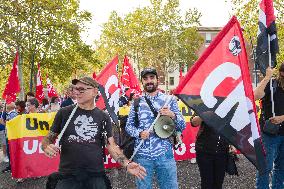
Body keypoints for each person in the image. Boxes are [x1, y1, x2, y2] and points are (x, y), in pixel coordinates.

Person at [41, 76, 146, 189]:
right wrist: (46, 146)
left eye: (82, 89)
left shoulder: (103, 117)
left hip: (95, 176)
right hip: (67, 175)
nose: (77, 92)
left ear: (95, 92)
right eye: (76, 89)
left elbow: (111, 146)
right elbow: (48, 139)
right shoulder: (64, 113)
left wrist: (127, 164)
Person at [125, 68, 186, 189]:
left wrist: (172, 115)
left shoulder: (169, 100)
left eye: (152, 77)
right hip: (142, 156)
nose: (149, 81)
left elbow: (182, 125)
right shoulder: (136, 102)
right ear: (142, 81)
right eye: (145, 78)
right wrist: (139, 133)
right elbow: (128, 127)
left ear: (157, 80)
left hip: (165, 154)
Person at [254, 64, 284, 189]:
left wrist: (282, 118)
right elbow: (255, 96)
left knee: (281, 167)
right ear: (281, 73)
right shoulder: (272, 84)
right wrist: (266, 77)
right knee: (265, 167)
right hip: (269, 134)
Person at [190, 114, 229, 189]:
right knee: (207, 182)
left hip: (222, 151)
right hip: (204, 151)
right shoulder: (205, 104)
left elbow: (232, 128)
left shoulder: (229, 107)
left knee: (218, 182)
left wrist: (232, 144)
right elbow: (193, 123)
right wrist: (204, 114)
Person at [0, 102, 18, 173]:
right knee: (9, 151)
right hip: (10, 135)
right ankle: (11, 165)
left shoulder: (12, 114)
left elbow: (11, 126)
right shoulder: (11, 114)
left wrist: (3, 123)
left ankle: (12, 166)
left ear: (9, 107)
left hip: (11, 135)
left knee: (10, 151)